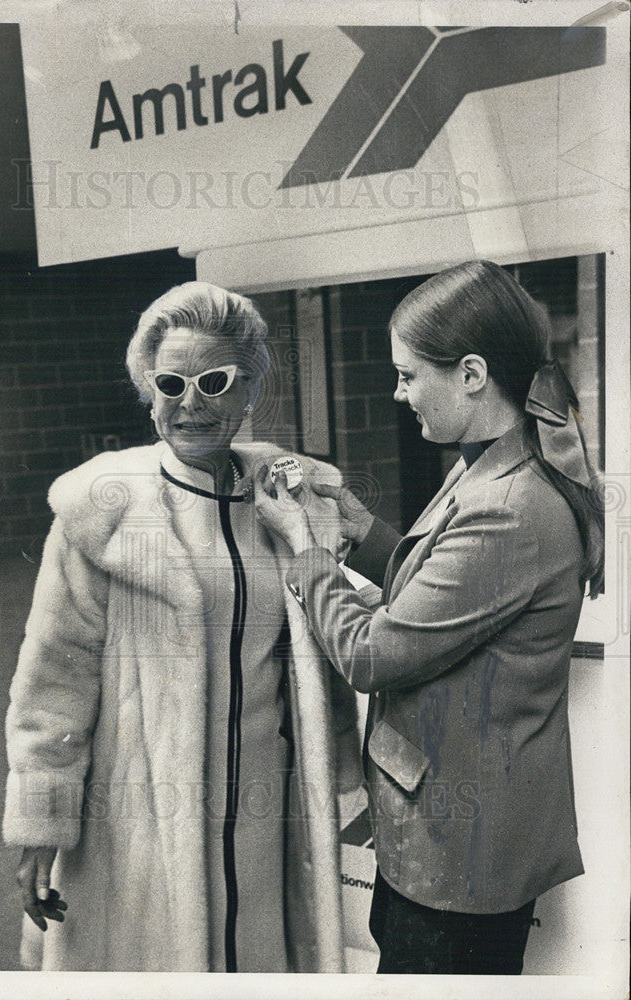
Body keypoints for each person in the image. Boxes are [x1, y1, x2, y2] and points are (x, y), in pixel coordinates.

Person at [253, 260, 603, 975]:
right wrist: (359, 530)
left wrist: (306, 549)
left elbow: (373, 654)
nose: (398, 392)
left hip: (458, 860)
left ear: (471, 373)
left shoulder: (507, 507)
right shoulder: (493, 463)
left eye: (409, 375)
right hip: (451, 836)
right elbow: (442, 599)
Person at [2, 280, 363, 972]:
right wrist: (40, 824)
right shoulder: (103, 514)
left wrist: (344, 773)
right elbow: (53, 679)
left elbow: (328, 651)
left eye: (213, 381)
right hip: (141, 826)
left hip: (269, 821)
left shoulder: (296, 502)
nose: (189, 403)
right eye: (168, 382)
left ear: (250, 390)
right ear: (147, 387)